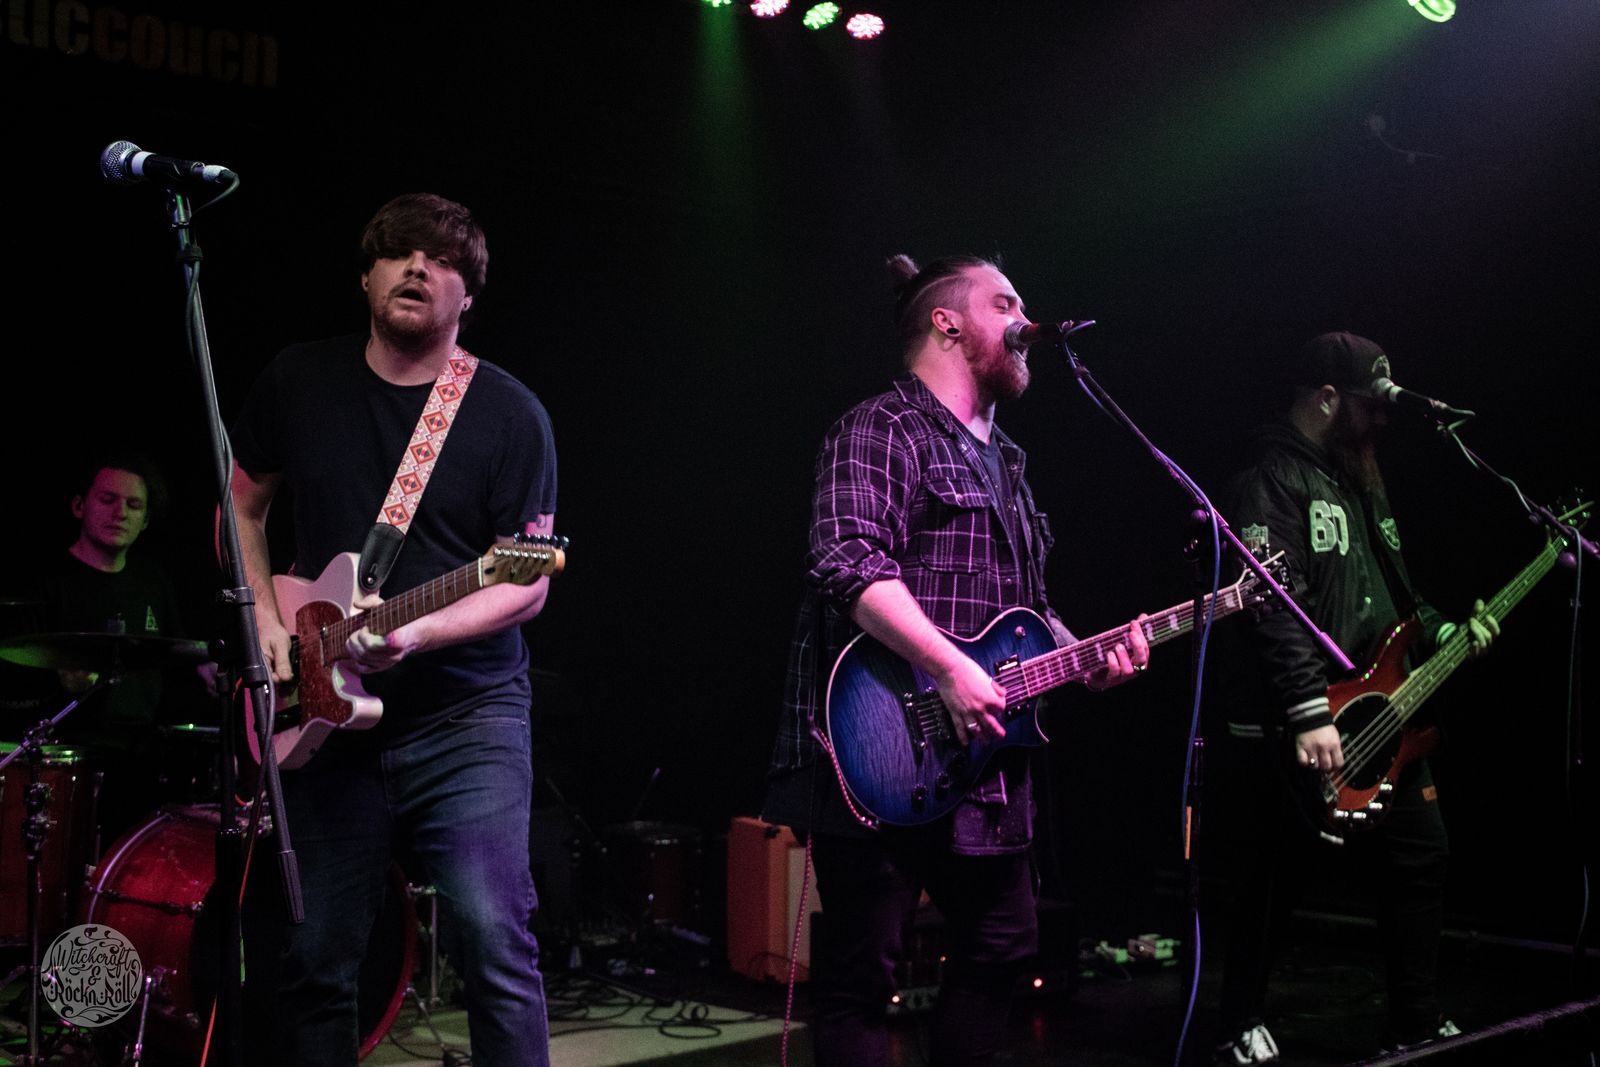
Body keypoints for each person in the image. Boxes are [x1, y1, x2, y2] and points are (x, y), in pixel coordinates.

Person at [763, 253, 1150, 1067]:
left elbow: (1026, 610)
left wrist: (1085, 656)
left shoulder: (1008, 461)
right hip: (873, 741)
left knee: (1004, 948)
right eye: (1005, 303)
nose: (1025, 321)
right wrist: (946, 666)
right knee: (861, 976)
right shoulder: (880, 427)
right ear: (946, 321)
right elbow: (846, 559)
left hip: (981, 762)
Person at [227, 193, 558, 1066]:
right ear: (366, 276)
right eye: (400, 251)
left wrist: (418, 634)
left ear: (467, 297)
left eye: (443, 261)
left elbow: (525, 583)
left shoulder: (509, 414)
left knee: (494, 940)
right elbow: (240, 503)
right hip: (321, 717)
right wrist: (266, 621)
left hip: (466, 716)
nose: (419, 267)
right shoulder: (299, 380)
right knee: (313, 960)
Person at [1211, 332, 1499, 1063]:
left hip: (1385, 713)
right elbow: (1269, 606)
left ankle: (1413, 1022)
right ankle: (1237, 1020)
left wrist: (1444, 630)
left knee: (1422, 857)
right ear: (1327, 398)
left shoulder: (1361, 479)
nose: (1381, 420)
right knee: (1274, 878)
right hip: (1306, 720)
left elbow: (1394, 594)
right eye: (1370, 406)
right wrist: (1307, 708)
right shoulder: (1270, 477)